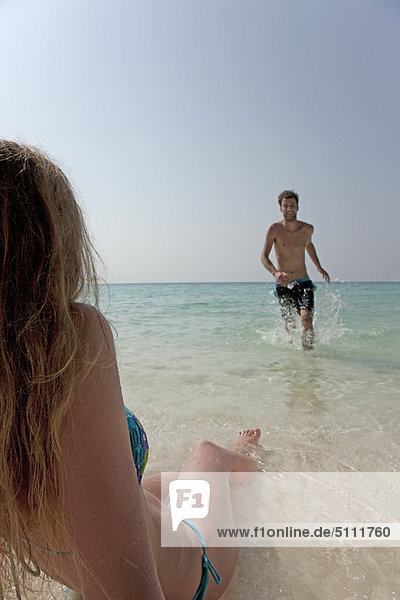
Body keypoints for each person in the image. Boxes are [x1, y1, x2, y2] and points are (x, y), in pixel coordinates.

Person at [0, 140, 262, 600]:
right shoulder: (67, 340)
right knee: (207, 453)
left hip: (123, 535)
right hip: (196, 572)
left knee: (167, 484)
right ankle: (247, 456)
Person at [261, 190, 330, 350]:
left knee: (306, 319)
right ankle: (293, 361)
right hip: (284, 285)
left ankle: (309, 359)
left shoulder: (307, 229)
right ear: (281, 208)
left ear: (298, 207)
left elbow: (308, 245)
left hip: (303, 281)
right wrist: (275, 273)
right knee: (290, 324)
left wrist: (319, 267)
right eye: (285, 205)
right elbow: (264, 257)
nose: (289, 208)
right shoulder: (274, 229)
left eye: (292, 205)